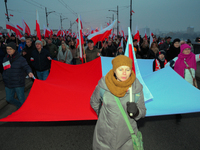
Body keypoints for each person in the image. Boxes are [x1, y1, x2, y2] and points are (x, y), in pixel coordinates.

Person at [90, 55, 146, 150]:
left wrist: (136, 112)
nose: (124, 73)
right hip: (105, 136)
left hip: (127, 137)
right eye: (120, 69)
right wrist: (103, 117)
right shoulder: (104, 84)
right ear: (115, 70)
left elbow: (143, 112)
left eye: (127, 69)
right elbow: (94, 102)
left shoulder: (136, 88)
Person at [2, 42, 33, 108]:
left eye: (10, 49)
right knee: (9, 99)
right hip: (8, 83)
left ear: (14, 49)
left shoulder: (21, 59)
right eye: (7, 49)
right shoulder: (5, 58)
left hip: (18, 83)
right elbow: (5, 69)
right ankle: (20, 107)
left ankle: (23, 112)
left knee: (21, 100)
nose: (8, 50)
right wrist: (4, 77)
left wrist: (29, 72)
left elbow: (26, 67)